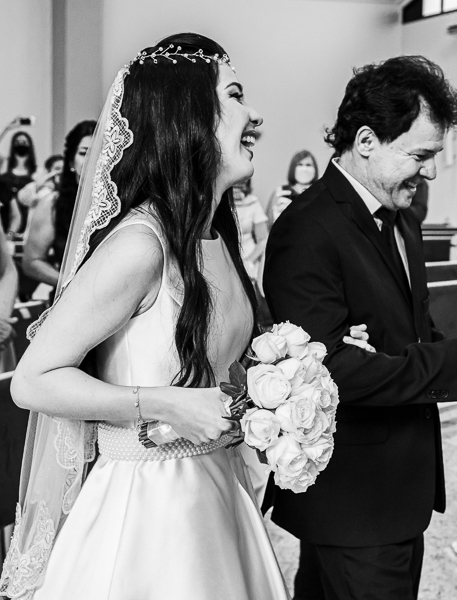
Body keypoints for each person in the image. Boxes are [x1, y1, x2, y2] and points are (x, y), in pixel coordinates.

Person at [0, 33, 295, 599]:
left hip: (216, 493)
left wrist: (273, 398)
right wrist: (161, 404)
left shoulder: (212, 236)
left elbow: (215, 372)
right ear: (186, 117)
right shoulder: (142, 244)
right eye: (234, 95)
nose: (254, 113)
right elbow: (33, 381)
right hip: (146, 513)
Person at [264, 55, 457, 600]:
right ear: (367, 140)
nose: (432, 171)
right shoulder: (307, 229)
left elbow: (416, 338)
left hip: (394, 492)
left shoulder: (404, 220)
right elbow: (329, 371)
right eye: (421, 154)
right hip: (354, 498)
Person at [21, 121, 96, 297]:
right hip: (69, 298)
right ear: (71, 160)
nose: (93, 159)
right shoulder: (52, 204)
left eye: (100, 151)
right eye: (84, 153)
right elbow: (31, 262)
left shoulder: (123, 202)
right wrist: (69, 282)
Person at [269, 149, 318, 223]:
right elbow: (268, 223)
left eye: (308, 165)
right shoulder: (281, 192)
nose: (304, 169)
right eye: (300, 165)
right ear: (293, 168)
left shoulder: (319, 192)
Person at [233, 179, 268, 280]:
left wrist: (247, 261)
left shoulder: (252, 202)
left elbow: (263, 240)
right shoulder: (216, 203)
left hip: (248, 259)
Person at [0, 131, 32, 234]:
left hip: (28, 224)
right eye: (18, 142)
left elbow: (16, 216)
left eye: (24, 142)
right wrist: (7, 128)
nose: (21, 144)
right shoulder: (4, 178)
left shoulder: (35, 175)